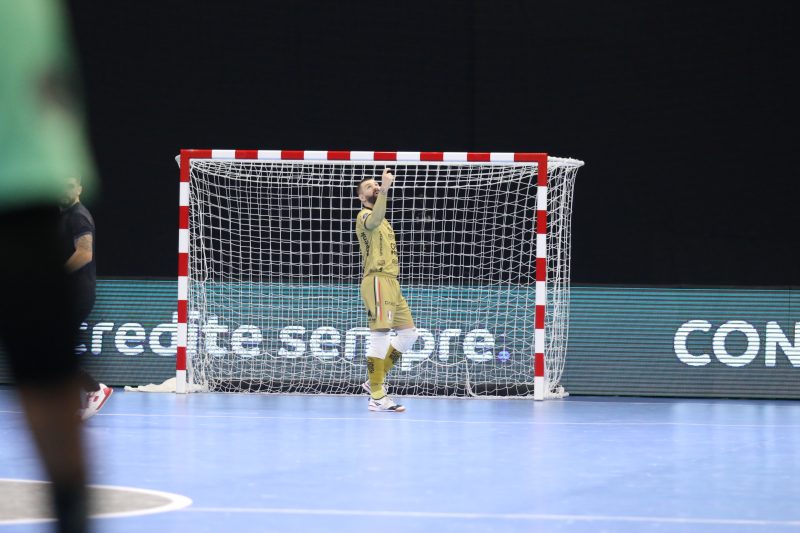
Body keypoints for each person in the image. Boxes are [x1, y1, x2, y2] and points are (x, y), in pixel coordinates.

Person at [0, 0, 96, 530]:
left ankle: (71, 509)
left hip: (22, 178)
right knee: (45, 365)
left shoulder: (71, 211)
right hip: (28, 177)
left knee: (45, 365)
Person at [355, 168, 420, 412]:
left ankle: (373, 380)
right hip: (376, 280)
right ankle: (378, 395)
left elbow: (381, 216)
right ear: (362, 197)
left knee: (409, 334)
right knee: (380, 335)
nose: (374, 188)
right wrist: (385, 186)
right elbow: (375, 219)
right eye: (369, 187)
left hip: (393, 282)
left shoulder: (385, 219)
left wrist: (382, 189)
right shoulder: (364, 216)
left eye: (376, 185)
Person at [59, 176, 112, 420]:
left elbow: (84, 254)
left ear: (79, 188)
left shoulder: (79, 215)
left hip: (78, 292)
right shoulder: (61, 216)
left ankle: (95, 389)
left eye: (70, 185)